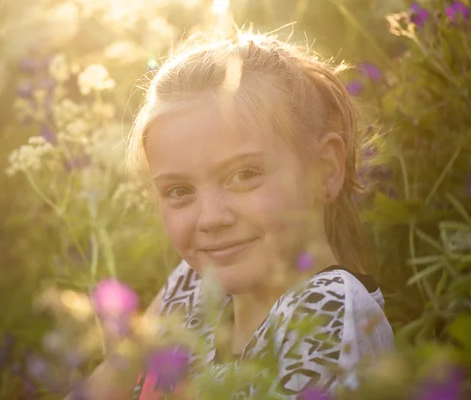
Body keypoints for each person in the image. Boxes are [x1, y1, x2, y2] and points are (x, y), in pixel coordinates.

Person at [69, 32, 394, 400]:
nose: (210, 219)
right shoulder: (195, 285)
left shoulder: (328, 310)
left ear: (326, 169)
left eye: (244, 175)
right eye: (179, 191)